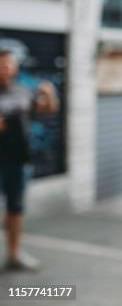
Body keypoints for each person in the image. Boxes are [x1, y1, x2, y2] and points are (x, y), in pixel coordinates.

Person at [0, 49, 58, 271]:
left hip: (17, 159)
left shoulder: (23, 92)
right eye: (1, 65)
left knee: (15, 209)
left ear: (15, 68)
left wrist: (50, 94)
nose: (5, 69)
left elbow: (48, 110)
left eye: (8, 65)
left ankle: (14, 254)